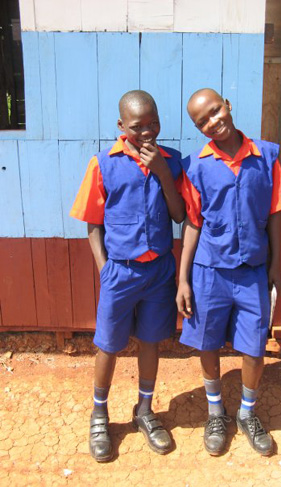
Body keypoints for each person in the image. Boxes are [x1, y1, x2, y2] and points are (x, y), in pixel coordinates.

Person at [176, 88, 281, 456]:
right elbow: (193, 223)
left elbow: (275, 211)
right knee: (208, 342)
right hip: (209, 272)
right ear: (198, 128)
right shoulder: (195, 165)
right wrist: (183, 278)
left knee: (253, 345)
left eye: (215, 111)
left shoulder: (266, 155)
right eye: (202, 121)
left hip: (253, 270)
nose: (213, 122)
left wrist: (275, 262)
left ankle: (246, 412)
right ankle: (216, 412)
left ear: (227, 103)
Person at [70, 90, 185, 462]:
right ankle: (100, 414)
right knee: (109, 343)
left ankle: (145, 410)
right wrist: (106, 269)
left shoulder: (173, 161)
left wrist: (163, 172)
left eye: (154, 124)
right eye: (138, 127)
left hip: (159, 270)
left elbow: (179, 215)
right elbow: (92, 224)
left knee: (151, 340)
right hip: (120, 271)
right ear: (121, 127)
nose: (147, 132)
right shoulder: (104, 163)